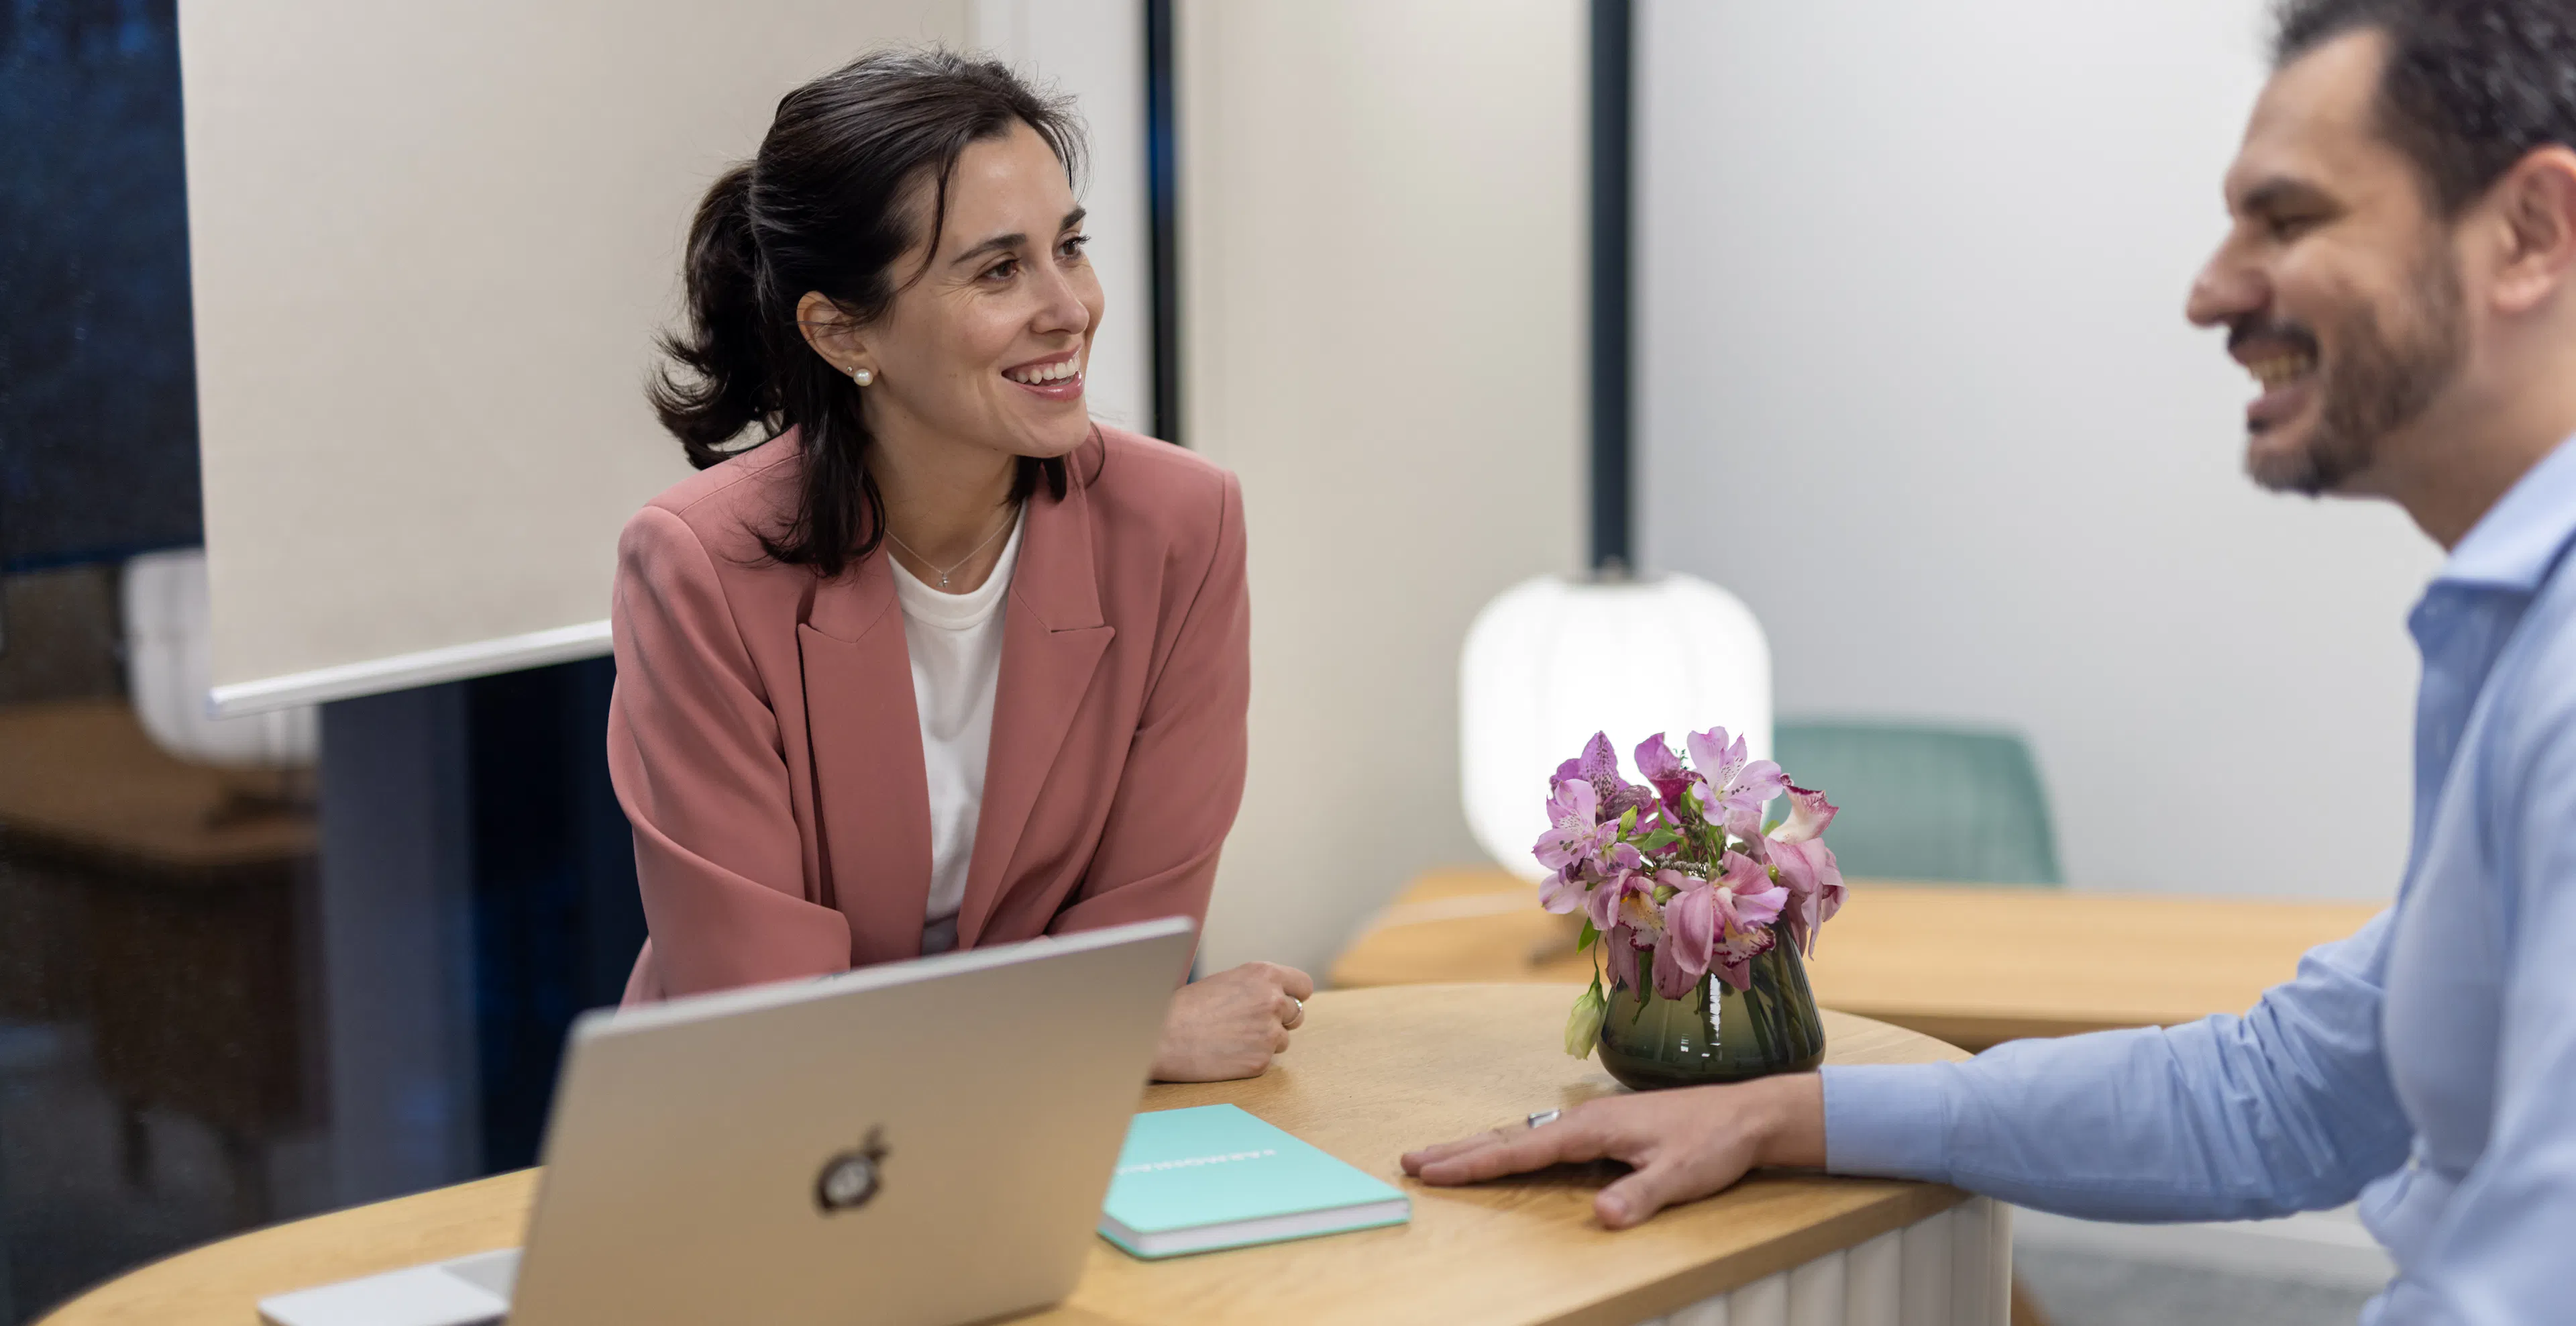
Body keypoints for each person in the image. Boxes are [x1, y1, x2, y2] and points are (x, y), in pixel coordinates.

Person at [1405, 1, 2576, 1317]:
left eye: (2289, 220)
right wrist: (1793, 1113)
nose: (2212, 291)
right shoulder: (2514, 635)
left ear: (2529, 233)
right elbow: (2294, 1091)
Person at [607, 50, 1309, 1082]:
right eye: (997, 270)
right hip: (762, 1140)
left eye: (1069, 247)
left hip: (1053, 1128)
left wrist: (1112, 1026)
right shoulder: (698, 570)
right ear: (843, 329)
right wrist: (1128, 1039)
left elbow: (1128, 950)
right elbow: (765, 1024)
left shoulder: (1180, 526)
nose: (1068, 306)